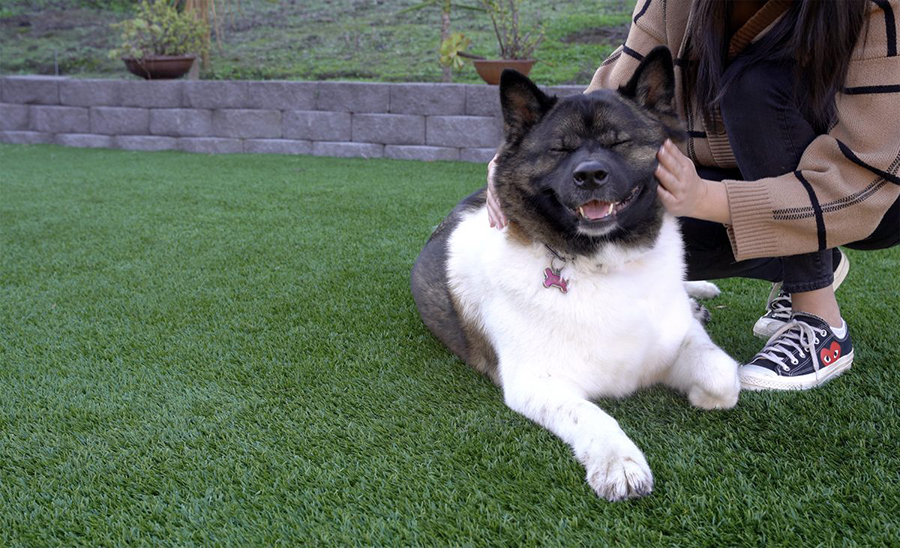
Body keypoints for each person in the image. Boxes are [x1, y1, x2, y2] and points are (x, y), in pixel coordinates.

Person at [486, 0, 900, 391]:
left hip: (875, 192)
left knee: (756, 86)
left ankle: (819, 320)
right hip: (746, 183)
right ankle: (812, 258)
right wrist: (512, 157)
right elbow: (611, 96)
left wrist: (702, 198)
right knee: (613, 231)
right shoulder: (671, 4)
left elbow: (869, 170)